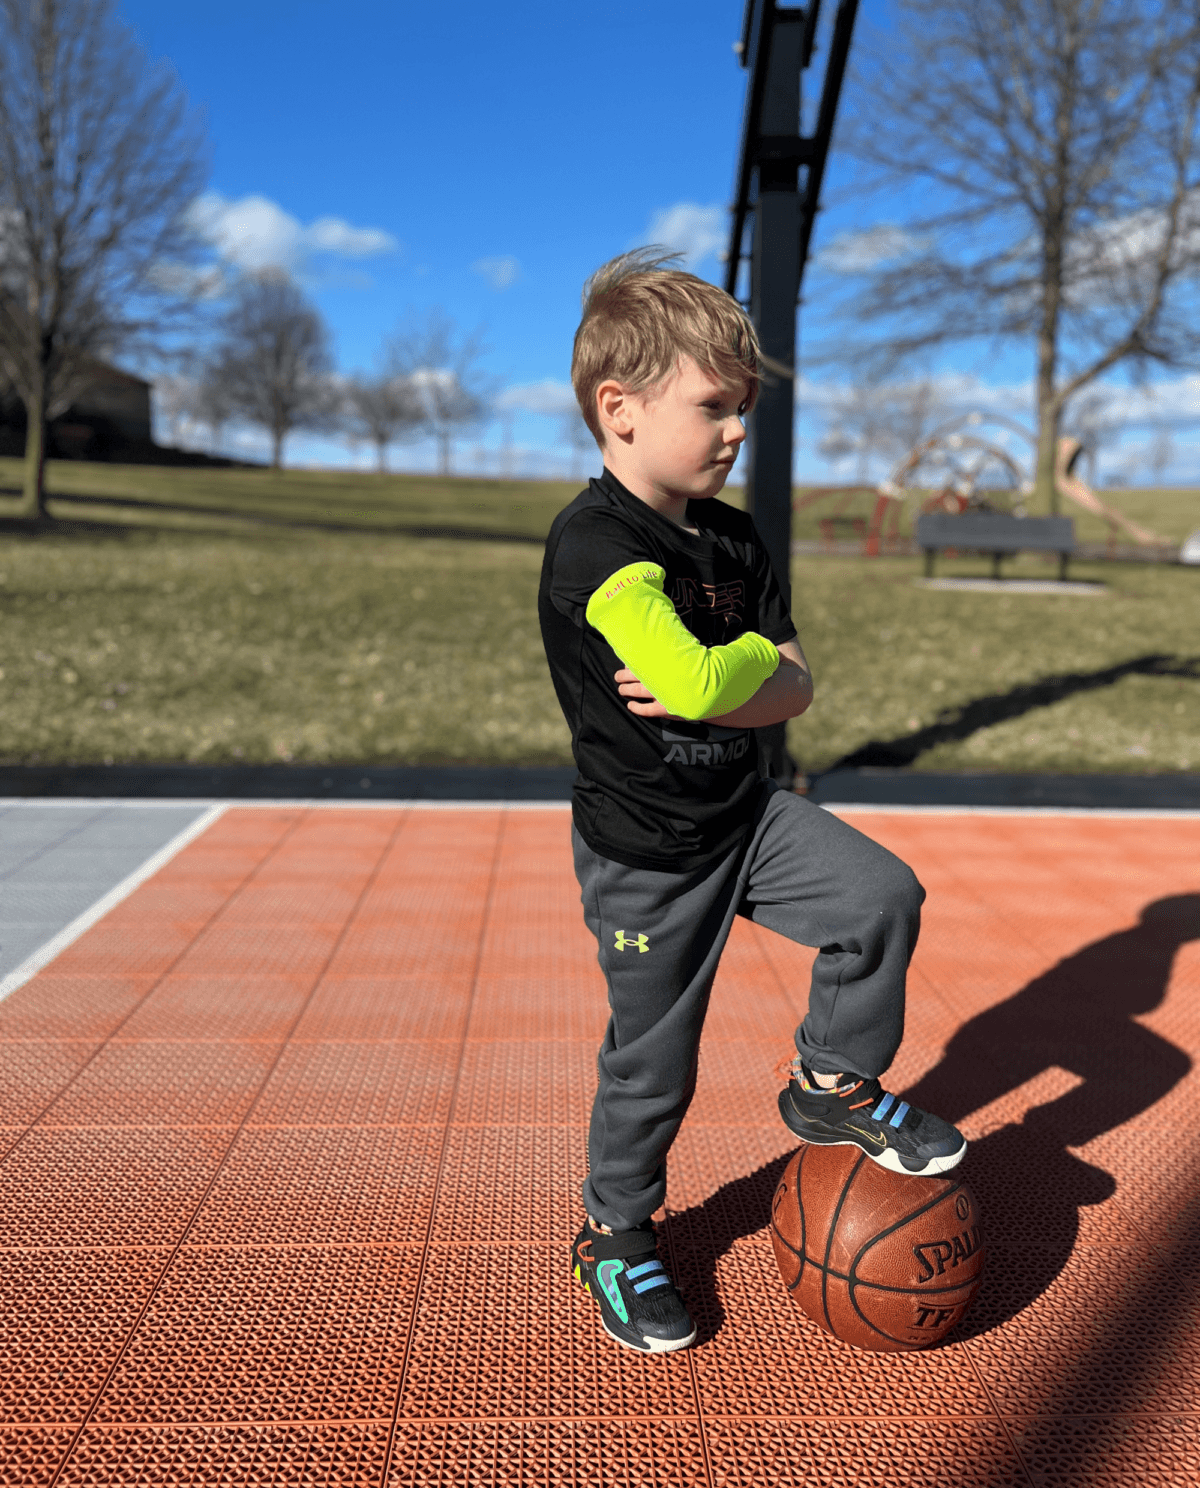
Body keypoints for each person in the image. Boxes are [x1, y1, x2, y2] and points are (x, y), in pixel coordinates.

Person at [537, 249, 965, 1355]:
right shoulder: (596, 543)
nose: (736, 432)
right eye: (713, 408)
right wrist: (738, 677)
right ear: (619, 409)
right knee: (653, 1062)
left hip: (749, 815)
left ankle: (831, 1081)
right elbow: (698, 683)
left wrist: (740, 679)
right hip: (648, 851)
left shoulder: (733, 538)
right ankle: (613, 1231)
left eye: (745, 411)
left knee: (879, 897)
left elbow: (796, 685)